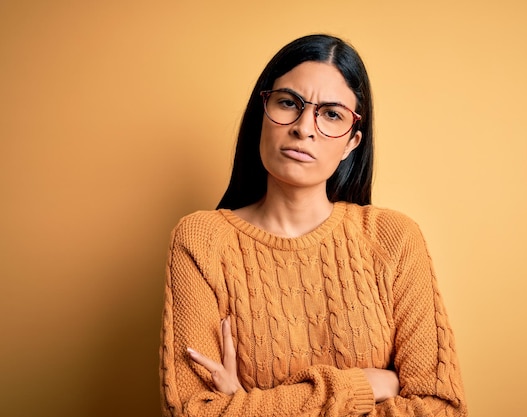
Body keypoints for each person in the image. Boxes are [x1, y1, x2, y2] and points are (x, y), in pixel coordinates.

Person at [160, 34, 468, 417]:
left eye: (331, 114)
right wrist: (365, 385)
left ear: (352, 143)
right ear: (263, 112)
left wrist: (246, 406)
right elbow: (195, 412)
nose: (304, 127)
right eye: (289, 103)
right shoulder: (202, 240)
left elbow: (439, 409)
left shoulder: (393, 239)